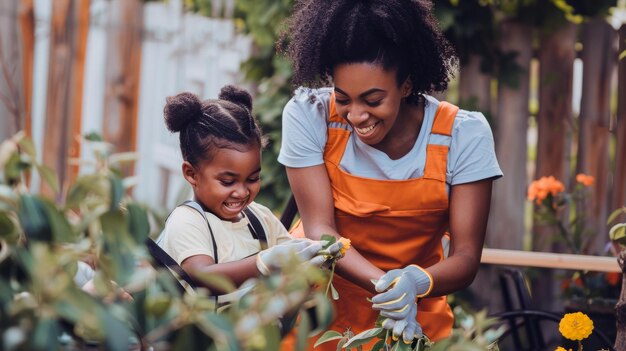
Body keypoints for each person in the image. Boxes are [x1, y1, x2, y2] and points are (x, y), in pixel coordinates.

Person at [277, 0, 503, 348]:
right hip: (316, 315)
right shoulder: (310, 114)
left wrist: (415, 284)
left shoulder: (462, 135)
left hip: (410, 323)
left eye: (372, 100)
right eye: (343, 98)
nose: (355, 116)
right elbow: (320, 230)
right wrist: (388, 286)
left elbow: (466, 258)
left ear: (407, 84)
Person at [159, 85, 342, 302]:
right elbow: (201, 276)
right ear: (191, 173)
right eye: (228, 181)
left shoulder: (261, 218)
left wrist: (310, 263)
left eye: (253, 179)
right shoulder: (188, 221)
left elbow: (289, 266)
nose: (242, 191)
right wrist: (262, 264)